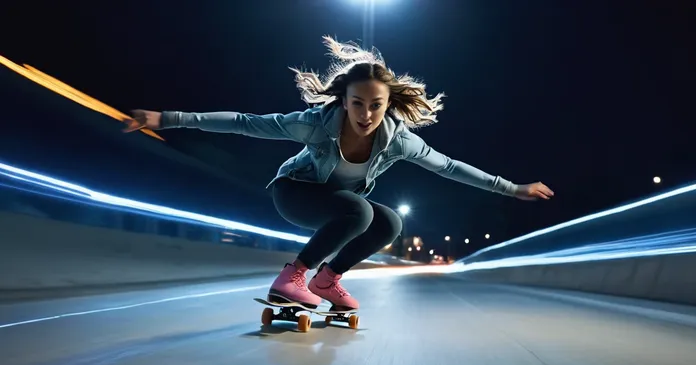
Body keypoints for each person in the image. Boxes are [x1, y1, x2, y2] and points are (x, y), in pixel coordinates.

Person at [123, 36, 554, 312]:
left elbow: (448, 166)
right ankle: (292, 277)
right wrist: (166, 118)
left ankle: (328, 281)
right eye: (357, 104)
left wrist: (512, 188)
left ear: (388, 105)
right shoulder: (314, 122)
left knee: (390, 221)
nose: (366, 115)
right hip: (295, 194)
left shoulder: (398, 139)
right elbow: (244, 121)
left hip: (338, 209)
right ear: (343, 101)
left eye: (376, 105)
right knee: (359, 212)